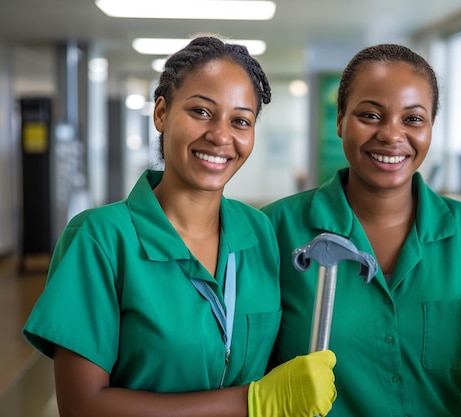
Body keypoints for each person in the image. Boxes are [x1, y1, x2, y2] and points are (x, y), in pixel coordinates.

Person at [22, 35, 336, 417]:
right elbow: (82, 405)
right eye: (201, 112)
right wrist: (251, 402)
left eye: (240, 120)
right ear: (161, 114)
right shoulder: (100, 239)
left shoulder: (258, 233)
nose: (221, 136)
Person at [261, 43, 461, 416]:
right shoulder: (274, 232)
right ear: (340, 120)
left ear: (431, 127)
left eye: (413, 119)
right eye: (370, 115)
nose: (391, 134)